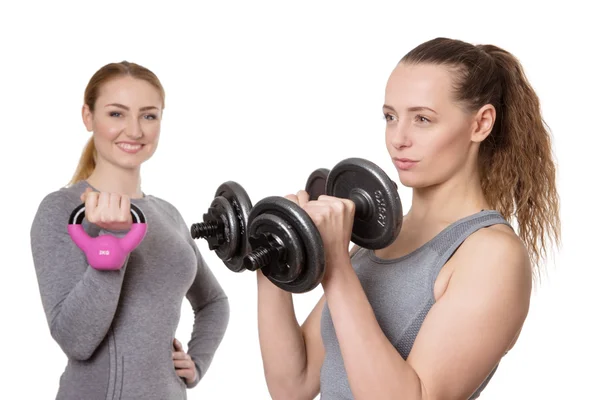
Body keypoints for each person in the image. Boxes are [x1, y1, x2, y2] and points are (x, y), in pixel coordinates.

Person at [257, 37, 561, 400]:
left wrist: (336, 268)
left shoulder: (491, 256)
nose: (398, 139)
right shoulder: (377, 241)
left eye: (422, 119)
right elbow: (294, 384)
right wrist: (272, 258)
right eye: (390, 117)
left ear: (481, 124)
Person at [30, 61, 230, 400]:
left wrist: (197, 362)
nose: (135, 131)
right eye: (116, 114)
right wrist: (111, 248)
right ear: (88, 117)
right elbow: (76, 341)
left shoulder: (168, 214)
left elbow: (214, 301)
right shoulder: (60, 210)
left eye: (148, 116)